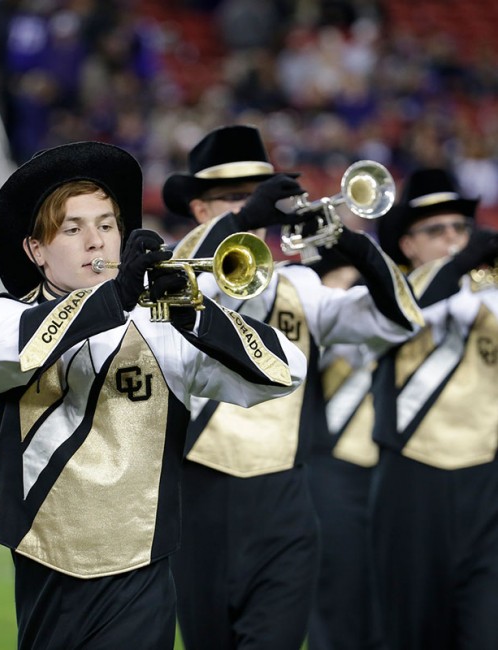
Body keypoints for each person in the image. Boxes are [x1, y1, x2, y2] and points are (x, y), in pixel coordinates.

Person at [0, 141, 307, 650]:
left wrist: (198, 317)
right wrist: (112, 298)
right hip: (49, 569)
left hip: (143, 573)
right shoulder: (0, 313)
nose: (95, 242)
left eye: (106, 225)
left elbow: (286, 371)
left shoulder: (161, 325)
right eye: (72, 229)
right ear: (36, 249)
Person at [161, 124, 423, 650]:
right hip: (199, 496)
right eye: (232, 197)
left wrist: (349, 242)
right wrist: (244, 219)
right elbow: (191, 293)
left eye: (257, 194)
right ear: (199, 210)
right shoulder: (171, 279)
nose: (249, 205)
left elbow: (398, 322)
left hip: (286, 503)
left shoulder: (300, 286)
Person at [371, 167, 498, 650]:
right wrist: (463, 260)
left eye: (460, 229)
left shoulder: (489, 298)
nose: (452, 239)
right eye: (436, 231)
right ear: (408, 245)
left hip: (485, 485)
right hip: (413, 483)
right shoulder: (385, 295)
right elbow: (409, 313)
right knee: (414, 633)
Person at [305, 250, 384, 650]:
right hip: (330, 471)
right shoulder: (308, 320)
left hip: (391, 473)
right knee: (337, 598)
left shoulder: (381, 313)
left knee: (391, 603)